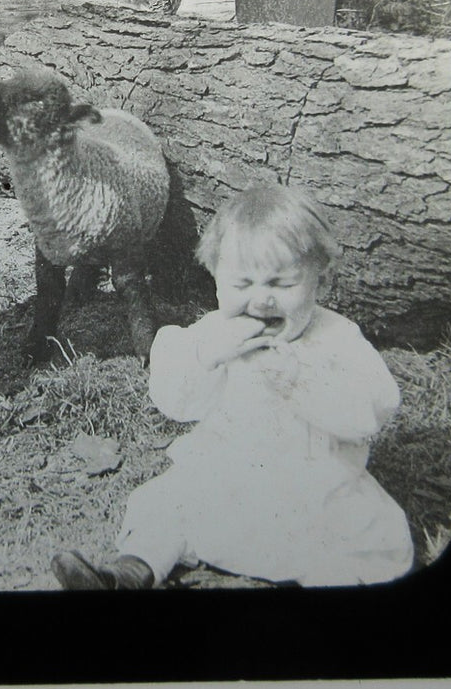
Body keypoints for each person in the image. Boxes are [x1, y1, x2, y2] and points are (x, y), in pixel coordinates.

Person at [52, 183, 415, 589]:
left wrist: (301, 380)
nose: (261, 301)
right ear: (216, 280)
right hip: (226, 484)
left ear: (322, 283)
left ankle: (326, 578)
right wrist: (207, 356)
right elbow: (173, 397)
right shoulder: (213, 334)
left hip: (315, 491)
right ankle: (131, 571)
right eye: (243, 285)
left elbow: (372, 409)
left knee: (365, 533)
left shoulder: (337, 339)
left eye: (281, 284)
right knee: (166, 501)